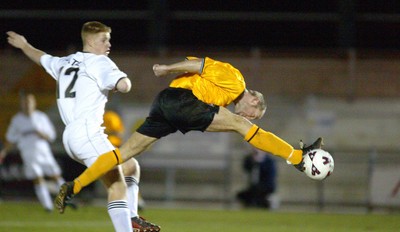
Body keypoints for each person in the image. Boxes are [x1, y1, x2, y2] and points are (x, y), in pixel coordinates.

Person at [54, 56, 323, 211]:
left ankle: (73, 186)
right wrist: (166, 69)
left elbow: (196, 63)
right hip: (182, 101)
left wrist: (173, 73)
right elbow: (200, 65)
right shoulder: (236, 81)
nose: (246, 116)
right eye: (253, 113)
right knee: (246, 130)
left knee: (123, 154)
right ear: (254, 101)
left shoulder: (223, 95)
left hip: (165, 103)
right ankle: (298, 156)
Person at [6, 21, 160, 232]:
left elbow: (41, 58)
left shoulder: (66, 62)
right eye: (103, 39)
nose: (108, 44)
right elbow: (125, 85)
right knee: (117, 185)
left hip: (74, 136)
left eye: (109, 39)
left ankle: (131, 218)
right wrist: (118, 83)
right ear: (89, 40)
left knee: (130, 166)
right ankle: (126, 227)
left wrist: (24, 45)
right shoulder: (101, 62)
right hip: (88, 134)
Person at [0, 93, 65, 212]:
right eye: (25, 102)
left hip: (43, 152)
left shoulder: (41, 117)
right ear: (22, 104)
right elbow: (10, 139)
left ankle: (66, 200)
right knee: (37, 178)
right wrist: (3, 151)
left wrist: (41, 134)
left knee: (55, 175)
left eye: (29, 102)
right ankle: (48, 206)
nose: (27, 105)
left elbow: (51, 136)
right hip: (28, 154)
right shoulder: (17, 120)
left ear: (34, 103)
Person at [103, 108, 146, 211]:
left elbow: (118, 133)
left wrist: (104, 132)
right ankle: (121, 200)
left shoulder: (110, 116)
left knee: (123, 175)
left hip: (113, 147)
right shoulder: (94, 117)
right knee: (111, 176)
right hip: (105, 149)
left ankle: (136, 200)